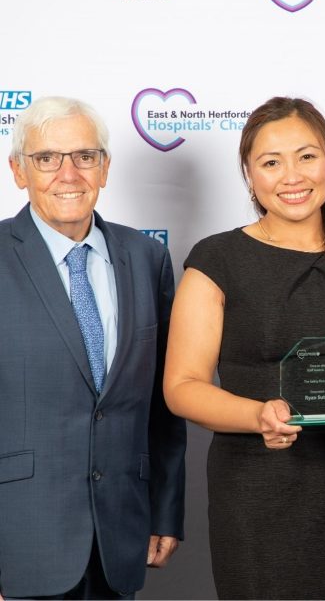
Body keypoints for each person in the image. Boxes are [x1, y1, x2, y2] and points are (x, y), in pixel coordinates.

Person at [163, 96, 325, 599]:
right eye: (271, 162)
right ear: (248, 174)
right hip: (255, 493)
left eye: (307, 156)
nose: (292, 176)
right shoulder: (217, 259)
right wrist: (258, 415)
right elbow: (181, 387)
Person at [0, 96, 186, 599]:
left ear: (104, 168)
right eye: (47, 158)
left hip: (119, 539)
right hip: (18, 543)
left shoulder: (148, 258)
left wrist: (166, 509)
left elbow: (164, 406)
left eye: (84, 156)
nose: (69, 173)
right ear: (19, 171)